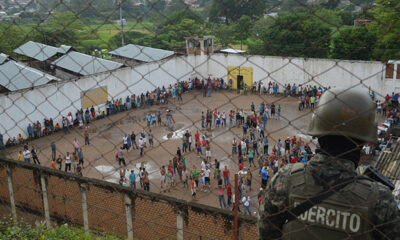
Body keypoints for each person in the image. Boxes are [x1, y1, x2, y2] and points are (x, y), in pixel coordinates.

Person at [259, 88, 400, 239]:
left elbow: (266, 234)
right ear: (365, 140)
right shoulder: (380, 199)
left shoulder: (285, 179)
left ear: (318, 133)